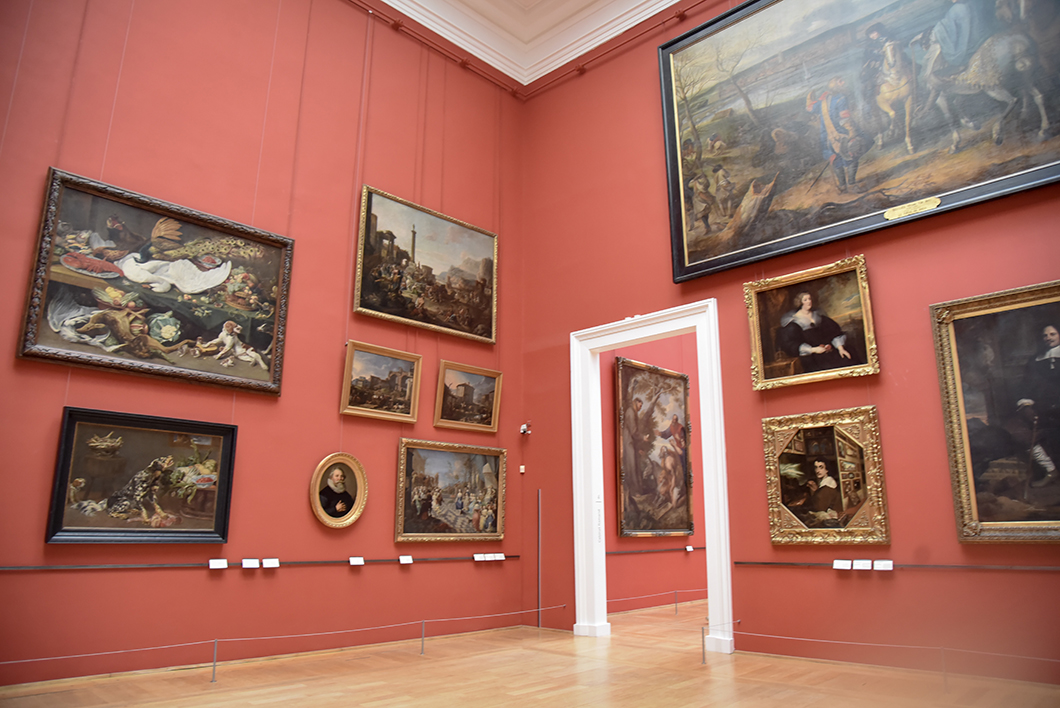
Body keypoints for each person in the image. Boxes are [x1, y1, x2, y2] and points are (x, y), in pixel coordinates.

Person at [806, 76, 871, 193]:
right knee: (852, 155)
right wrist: (851, 131)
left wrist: (809, 96)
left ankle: (842, 186)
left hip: (827, 138)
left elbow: (810, 108)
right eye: (840, 82)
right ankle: (852, 184)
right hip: (842, 134)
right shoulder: (841, 98)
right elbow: (844, 118)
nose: (844, 84)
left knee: (835, 159)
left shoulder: (822, 101)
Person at [1016, 324, 1060, 487]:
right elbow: (1027, 385)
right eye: (1045, 335)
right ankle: (1051, 470)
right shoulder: (1035, 360)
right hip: (1044, 407)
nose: (1048, 338)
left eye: (1052, 334)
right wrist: (1026, 405)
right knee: (1025, 435)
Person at [777, 291, 863, 373]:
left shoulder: (819, 317)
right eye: (805, 300)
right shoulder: (795, 322)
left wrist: (839, 348)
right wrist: (814, 349)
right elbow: (791, 344)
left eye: (810, 299)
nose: (809, 301)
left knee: (849, 356)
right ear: (800, 302)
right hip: (811, 355)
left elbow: (834, 332)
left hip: (828, 351)